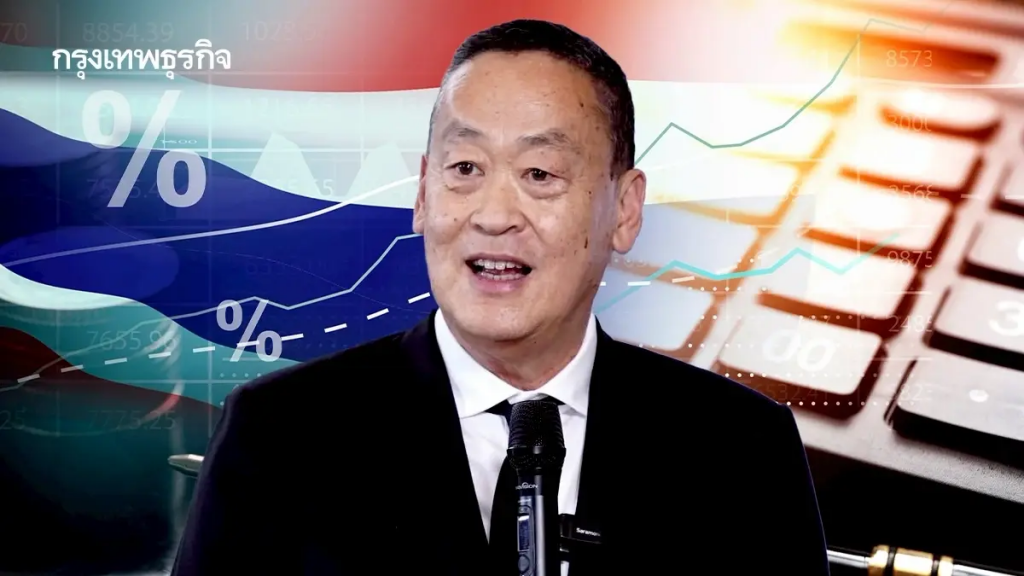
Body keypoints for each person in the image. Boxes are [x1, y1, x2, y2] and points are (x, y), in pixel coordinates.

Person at [171, 19, 830, 576]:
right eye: (465, 169)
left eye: (540, 173)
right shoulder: (280, 436)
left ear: (626, 210)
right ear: (423, 193)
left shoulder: (742, 450)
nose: (493, 215)